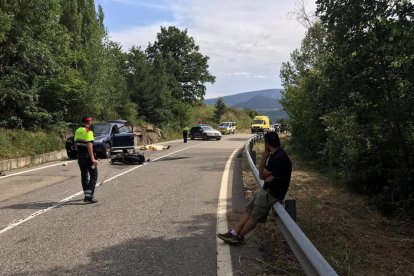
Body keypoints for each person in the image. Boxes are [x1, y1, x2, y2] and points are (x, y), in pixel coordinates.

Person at [217, 132, 292, 245]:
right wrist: (269, 176)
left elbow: (261, 175)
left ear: (267, 144)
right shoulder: (276, 154)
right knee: (249, 209)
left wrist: (264, 156)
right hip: (267, 190)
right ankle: (233, 233)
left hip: (272, 194)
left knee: (254, 216)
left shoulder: (278, 157)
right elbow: (266, 177)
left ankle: (239, 237)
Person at [74, 115, 99, 203]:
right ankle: (88, 197)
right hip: (88, 157)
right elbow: (89, 145)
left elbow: (75, 144)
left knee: (84, 174)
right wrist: (93, 159)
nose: (91, 122)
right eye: (91, 121)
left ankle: (86, 193)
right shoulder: (89, 131)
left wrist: (79, 152)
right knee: (94, 175)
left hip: (80, 156)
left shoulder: (77, 130)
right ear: (88, 122)